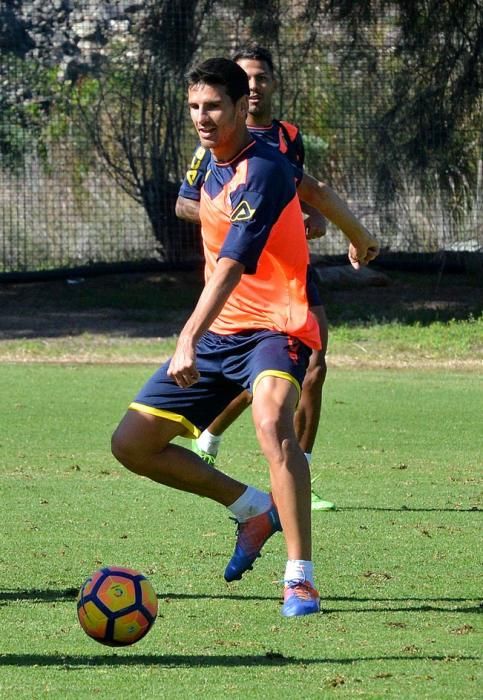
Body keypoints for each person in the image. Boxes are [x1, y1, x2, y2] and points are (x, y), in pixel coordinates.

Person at [112, 57, 323, 617]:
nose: (202, 118)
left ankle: (299, 577)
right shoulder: (209, 161)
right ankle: (253, 509)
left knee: (271, 421)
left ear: (238, 106)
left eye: (212, 107)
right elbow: (316, 191)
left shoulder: (262, 167)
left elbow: (230, 267)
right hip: (221, 333)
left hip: (277, 327)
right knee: (132, 444)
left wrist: (185, 339)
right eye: (194, 108)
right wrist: (360, 234)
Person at [176, 45, 379, 511]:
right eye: (243, 78)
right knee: (257, 382)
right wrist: (243, 224)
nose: (252, 85)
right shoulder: (210, 146)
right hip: (243, 282)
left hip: (291, 274)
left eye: (260, 78)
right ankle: (212, 435)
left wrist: (331, 226)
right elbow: (188, 203)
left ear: (267, 87)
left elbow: (307, 192)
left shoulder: (284, 141)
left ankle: (300, 473)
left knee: (313, 367)